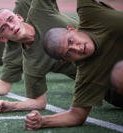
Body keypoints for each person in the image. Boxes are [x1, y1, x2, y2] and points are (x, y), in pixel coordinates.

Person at [25, 0, 123, 130]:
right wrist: (42, 121)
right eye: (69, 53)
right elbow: (76, 116)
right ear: (66, 61)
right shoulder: (86, 73)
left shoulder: (90, 14)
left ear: (71, 28)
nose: (77, 48)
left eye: (71, 41)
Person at [0, 0, 78, 113]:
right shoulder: (31, 64)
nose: (11, 26)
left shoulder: (39, 10)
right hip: (100, 80)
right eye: (4, 28)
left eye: (11, 19)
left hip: (104, 44)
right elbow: (39, 102)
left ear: (19, 17)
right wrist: (11, 106)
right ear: (3, 38)